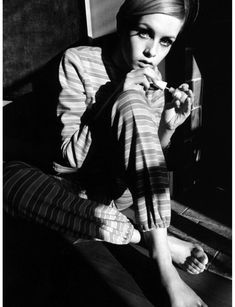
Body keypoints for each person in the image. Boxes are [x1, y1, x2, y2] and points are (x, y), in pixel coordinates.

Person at [4, 0, 209, 306]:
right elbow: (68, 158)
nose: (153, 52)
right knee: (8, 180)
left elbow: (144, 159)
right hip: (72, 187)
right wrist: (116, 93)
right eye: (143, 32)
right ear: (123, 24)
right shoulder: (76, 62)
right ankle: (156, 240)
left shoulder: (151, 82)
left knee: (131, 103)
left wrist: (167, 127)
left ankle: (165, 270)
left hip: (119, 191)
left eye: (165, 40)